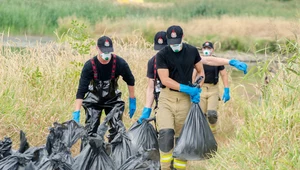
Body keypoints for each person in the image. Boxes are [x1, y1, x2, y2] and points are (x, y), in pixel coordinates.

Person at [156, 25, 248, 170]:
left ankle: (180, 168)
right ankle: (165, 167)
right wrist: (186, 88)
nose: (174, 45)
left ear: (183, 37)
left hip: (186, 100)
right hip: (167, 98)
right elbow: (165, 79)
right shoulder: (162, 55)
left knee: (183, 139)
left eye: (177, 41)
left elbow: (203, 68)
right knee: (166, 135)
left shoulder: (191, 51)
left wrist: (197, 86)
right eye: (172, 42)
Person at [72, 36, 136, 142]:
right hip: (94, 101)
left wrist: (132, 100)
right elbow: (81, 90)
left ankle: (115, 155)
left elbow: (130, 80)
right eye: (104, 51)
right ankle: (90, 156)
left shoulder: (120, 63)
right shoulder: (89, 65)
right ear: (97, 48)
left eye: (108, 51)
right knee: (91, 132)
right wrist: (76, 111)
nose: (106, 54)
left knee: (117, 129)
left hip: (113, 100)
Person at [198, 41, 230, 134]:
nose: (207, 50)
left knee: (212, 114)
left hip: (213, 89)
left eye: (209, 48)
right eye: (205, 48)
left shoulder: (217, 62)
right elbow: (193, 74)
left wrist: (226, 89)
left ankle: (213, 131)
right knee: (201, 115)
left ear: (212, 50)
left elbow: (224, 75)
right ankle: (202, 134)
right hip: (201, 89)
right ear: (202, 49)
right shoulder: (198, 60)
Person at [137, 31, 168, 124]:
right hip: (160, 100)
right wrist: (147, 109)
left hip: (177, 100)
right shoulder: (153, 62)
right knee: (163, 131)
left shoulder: (178, 60)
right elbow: (151, 87)